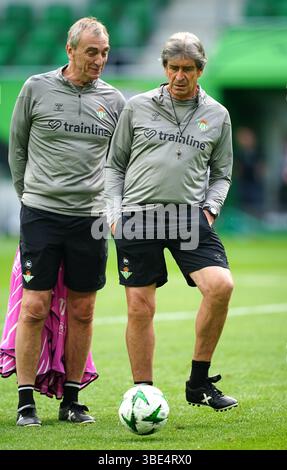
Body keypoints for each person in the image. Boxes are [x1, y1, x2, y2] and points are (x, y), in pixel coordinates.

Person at [105, 32, 237, 412]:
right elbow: (114, 166)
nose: (180, 76)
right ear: (164, 68)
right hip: (138, 215)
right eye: (173, 68)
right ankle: (144, 393)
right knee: (140, 307)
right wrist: (114, 215)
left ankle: (199, 383)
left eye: (188, 69)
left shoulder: (218, 115)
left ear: (200, 70)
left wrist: (210, 210)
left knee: (221, 286)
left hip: (189, 217)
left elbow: (222, 173)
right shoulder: (137, 107)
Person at [8, 17, 125, 426]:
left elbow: (119, 162)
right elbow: (17, 148)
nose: (99, 60)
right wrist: (31, 196)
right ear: (70, 49)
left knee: (84, 310)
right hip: (41, 212)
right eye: (91, 51)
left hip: (90, 218)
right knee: (35, 306)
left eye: (105, 52)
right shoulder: (35, 88)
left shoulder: (115, 101)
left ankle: (72, 400)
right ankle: (25, 401)